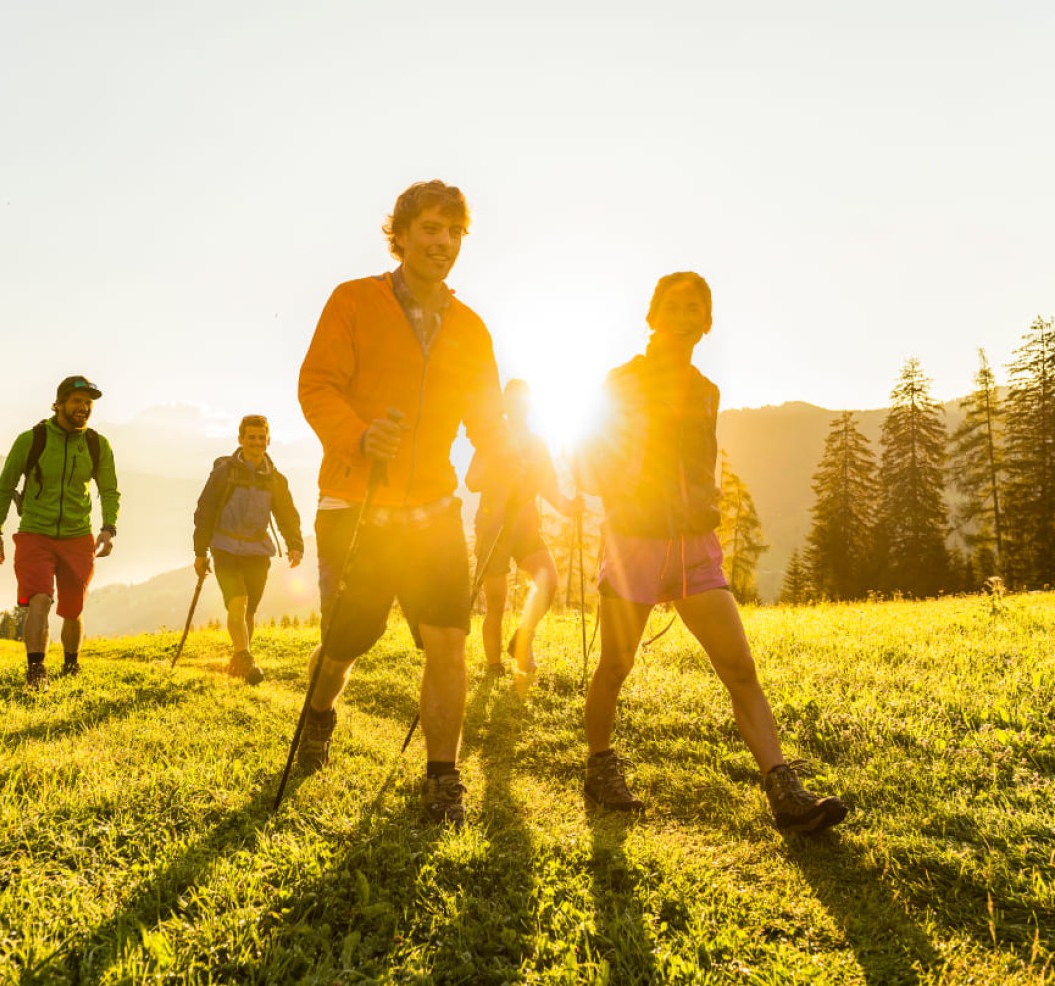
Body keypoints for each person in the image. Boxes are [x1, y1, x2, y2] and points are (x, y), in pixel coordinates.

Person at [578, 273, 847, 833]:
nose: (683, 316)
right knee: (616, 666)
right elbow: (592, 458)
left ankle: (784, 791)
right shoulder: (622, 381)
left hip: (695, 546)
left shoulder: (706, 391)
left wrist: (705, 504)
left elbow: (701, 461)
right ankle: (599, 767)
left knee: (739, 667)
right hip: (634, 543)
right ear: (652, 315)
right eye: (672, 305)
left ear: (707, 323)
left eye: (694, 308)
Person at [297, 179, 508, 826]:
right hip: (356, 507)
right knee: (347, 643)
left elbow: (486, 418)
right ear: (402, 235)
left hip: (434, 512)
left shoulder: (470, 329)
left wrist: (505, 455)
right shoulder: (354, 300)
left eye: (454, 231)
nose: (443, 242)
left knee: (448, 641)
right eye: (430, 229)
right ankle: (319, 711)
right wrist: (359, 436)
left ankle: (442, 780)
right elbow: (317, 385)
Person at [0, 375, 120, 687]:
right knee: (40, 599)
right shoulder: (32, 440)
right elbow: (5, 486)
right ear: (59, 404)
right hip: (35, 533)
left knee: (73, 609)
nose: (83, 407)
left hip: (78, 535)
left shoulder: (97, 445)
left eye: (88, 403)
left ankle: (71, 665)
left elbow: (109, 490)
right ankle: (36, 670)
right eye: (76, 401)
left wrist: (108, 528)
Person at [465, 378, 581, 689]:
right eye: (512, 403)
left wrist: (569, 507)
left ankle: (522, 637)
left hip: (526, 524)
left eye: (522, 403)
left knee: (549, 580)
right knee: (497, 602)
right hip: (493, 526)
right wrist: (499, 465)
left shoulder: (538, 445)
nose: (517, 408)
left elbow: (549, 488)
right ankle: (494, 668)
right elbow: (472, 481)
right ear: (505, 406)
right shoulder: (492, 438)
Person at [192, 414, 304, 684]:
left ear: (268, 440)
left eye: (261, 437)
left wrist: (295, 544)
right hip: (225, 547)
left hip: (258, 551)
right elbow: (205, 510)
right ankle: (245, 658)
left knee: (249, 611)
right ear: (240, 439)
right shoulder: (224, 473)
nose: (256, 442)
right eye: (251, 437)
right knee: (238, 602)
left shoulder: (275, 479)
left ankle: (239, 660)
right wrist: (200, 551)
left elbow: (287, 514)